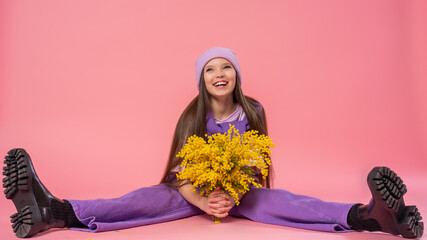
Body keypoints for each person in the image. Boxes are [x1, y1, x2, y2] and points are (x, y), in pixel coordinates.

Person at [2, 47, 424, 239]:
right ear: (202, 80)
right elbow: (178, 172)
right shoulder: (192, 115)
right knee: (143, 199)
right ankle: (53, 212)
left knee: (288, 203)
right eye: (210, 69)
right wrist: (203, 200)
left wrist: (232, 195)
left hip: (241, 193)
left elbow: (257, 163)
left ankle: (372, 218)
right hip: (192, 192)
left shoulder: (254, 111)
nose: (220, 74)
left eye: (227, 67)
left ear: (237, 76)